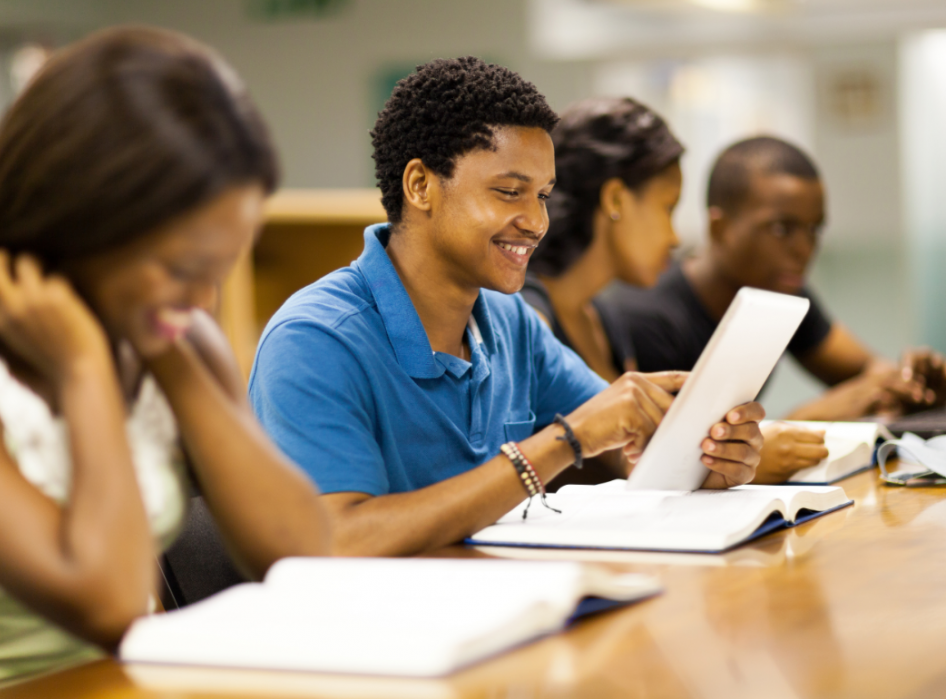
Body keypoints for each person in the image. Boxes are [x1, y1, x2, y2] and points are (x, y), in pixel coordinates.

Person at [249, 57, 765, 559]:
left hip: (494, 614)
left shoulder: (509, 323)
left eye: (542, 195)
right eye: (509, 192)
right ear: (420, 186)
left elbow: (628, 445)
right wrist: (562, 442)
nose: (536, 221)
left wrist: (708, 460)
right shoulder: (315, 339)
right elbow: (339, 541)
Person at [0, 27, 330, 695]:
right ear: (78, 222)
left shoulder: (172, 335)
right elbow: (108, 603)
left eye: (219, 268)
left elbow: (297, 548)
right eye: (181, 268)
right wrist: (84, 370)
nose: (201, 299)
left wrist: (172, 353)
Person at [523, 103, 828, 484]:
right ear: (616, 200)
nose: (675, 237)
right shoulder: (526, 317)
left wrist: (724, 458)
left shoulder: (605, 318)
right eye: (667, 208)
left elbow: (638, 461)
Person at [596, 136, 945, 433]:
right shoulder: (648, 317)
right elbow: (677, 464)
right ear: (719, 228)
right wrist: (804, 418)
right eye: (782, 229)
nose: (804, 249)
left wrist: (916, 384)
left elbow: (872, 375)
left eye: (814, 230)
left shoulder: (781, 296)